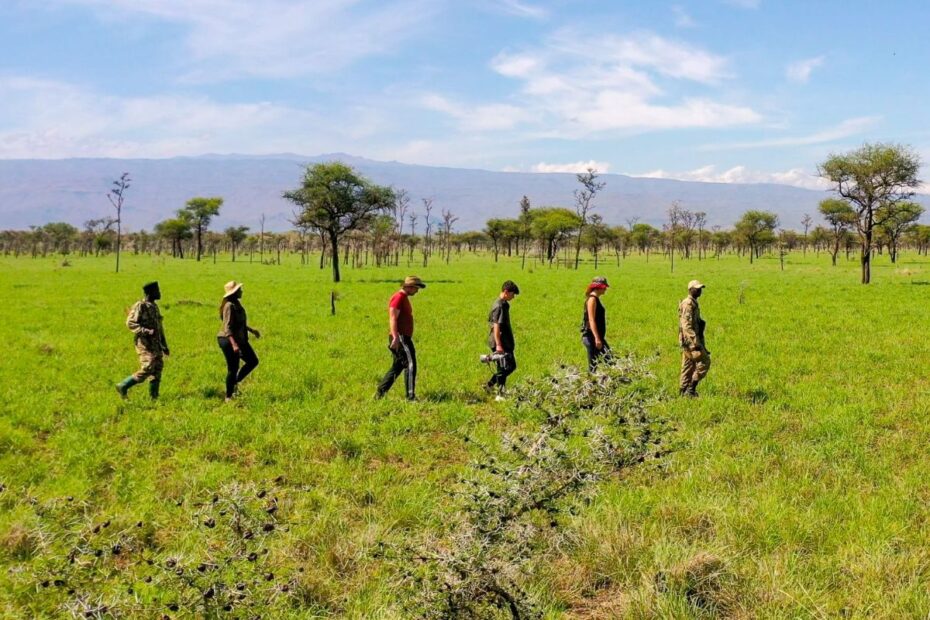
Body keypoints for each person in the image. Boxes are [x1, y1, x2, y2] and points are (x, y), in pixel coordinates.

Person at [117, 281, 169, 399]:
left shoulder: (154, 307)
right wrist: (145, 331)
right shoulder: (140, 306)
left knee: (157, 368)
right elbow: (130, 322)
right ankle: (123, 385)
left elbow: (159, 327)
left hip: (156, 344)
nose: (159, 293)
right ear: (150, 292)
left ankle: (154, 397)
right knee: (148, 366)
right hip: (144, 343)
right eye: (157, 291)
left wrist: (164, 344)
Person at [376, 275, 425, 401]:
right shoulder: (398, 298)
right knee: (410, 364)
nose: (417, 291)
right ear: (409, 287)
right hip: (401, 337)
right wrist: (396, 337)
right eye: (416, 288)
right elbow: (393, 318)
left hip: (402, 337)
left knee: (398, 366)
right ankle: (410, 397)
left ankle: (380, 393)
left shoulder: (404, 298)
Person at [217, 280, 261, 402]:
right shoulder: (229, 306)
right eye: (239, 290)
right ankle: (228, 396)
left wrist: (252, 330)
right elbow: (228, 328)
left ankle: (235, 382)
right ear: (234, 293)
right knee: (233, 368)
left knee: (253, 361)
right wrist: (234, 345)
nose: (241, 291)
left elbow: (239, 324)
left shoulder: (236, 304)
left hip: (239, 339)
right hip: (228, 340)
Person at [484, 280, 520, 399]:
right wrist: (499, 345)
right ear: (506, 292)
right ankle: (499, 394)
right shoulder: (499, 306)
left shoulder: (504, 304)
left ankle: (489, 385)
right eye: (512, 294)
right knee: (503, 367)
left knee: (510, 366)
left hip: (505, 341)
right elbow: (496, 326)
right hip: (500, 342)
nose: (513, 297)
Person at [679, 279, 711, 397]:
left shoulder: (693, 303)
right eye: (697, 289)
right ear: (690, 290)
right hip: (690, 341)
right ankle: (691, 389)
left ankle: (682, 392)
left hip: (689, 340)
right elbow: (686, 325)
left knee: (688, 366)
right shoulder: (688, 304)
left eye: (700, 289)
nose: (699, 291)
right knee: (705, 362)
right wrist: (695, 342)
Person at [580, 276, 612, 372]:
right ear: (599, 287)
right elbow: (591, 320)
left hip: (596, 338)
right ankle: (590, 384)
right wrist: (597, 338)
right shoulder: (592, 299)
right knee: (594, 366)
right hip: (591, 338)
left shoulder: (595, 299)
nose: (605, 289)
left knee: (609, 360)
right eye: (604, 287)